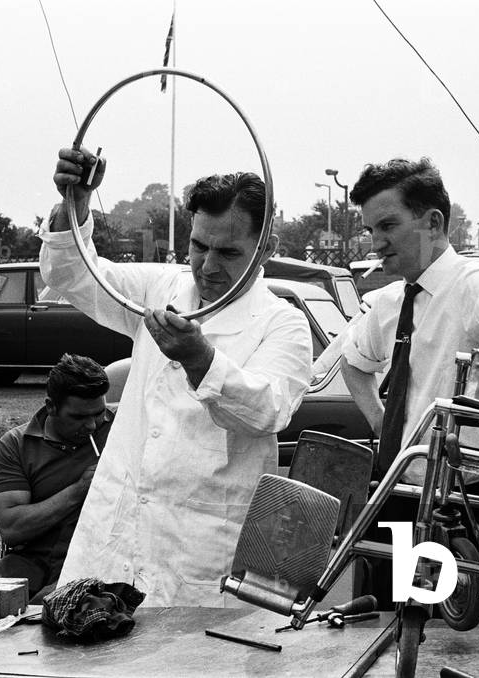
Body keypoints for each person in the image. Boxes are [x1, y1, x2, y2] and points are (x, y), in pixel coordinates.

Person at [40, 148, 312, 607]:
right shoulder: (161, 288)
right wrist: (75, 203)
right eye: (199, 246)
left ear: (266, 246)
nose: (207, 266)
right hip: (118, 531)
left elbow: (268, 410)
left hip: (201, 547)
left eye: (228, 252)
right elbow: (75, 277)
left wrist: (200, 359)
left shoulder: (281, 323)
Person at [340, 157, 479, 611]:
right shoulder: (389, 302)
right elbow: (353, 364)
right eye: (371, 229)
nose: (376, 243)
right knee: (403, 631)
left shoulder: (473, 282)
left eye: (388, 225)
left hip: (473, 502)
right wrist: (379, 423)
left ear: (433, 222)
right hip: (404, 495)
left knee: (477, 642)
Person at [0, 353, 112, 603]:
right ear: (51, 406)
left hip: (97, 559)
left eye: (98, 413)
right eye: (78, 417)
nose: (91, 425)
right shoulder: (16, 444)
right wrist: (79, 490)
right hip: (32, 562)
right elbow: (12, 528)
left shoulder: (119, 431)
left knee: (51, 606)